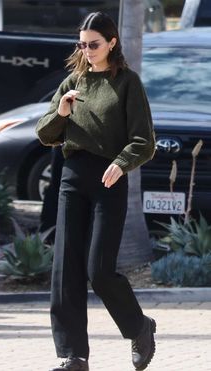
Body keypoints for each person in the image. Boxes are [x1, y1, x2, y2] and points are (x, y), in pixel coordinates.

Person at [36, 11, 156, 371]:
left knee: (99, 270)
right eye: (82, 44)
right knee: (65, 270)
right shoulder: (74, 80)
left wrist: (121, 162)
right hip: (73, 177)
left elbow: (144, 140)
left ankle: (140, 327)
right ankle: (74, 355)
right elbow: (45, 133)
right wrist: (61, 111)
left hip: (109, 179)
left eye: (94, 44)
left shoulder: (127, 83)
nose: (87, 50)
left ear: (112, 43)